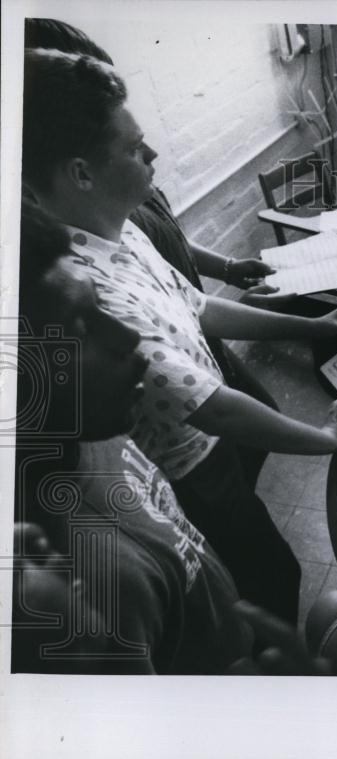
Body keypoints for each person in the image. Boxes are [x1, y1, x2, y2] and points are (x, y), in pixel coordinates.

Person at [21, 48, 337, 625]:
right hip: (193, 472)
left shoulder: (119, 227)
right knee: (271, 575)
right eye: (135, 149)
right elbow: (217, 410)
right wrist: (327, 435)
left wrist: (311, 324)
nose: (154, 153)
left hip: (211, 453)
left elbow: (199, 306)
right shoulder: (90, 293)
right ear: (81, 173)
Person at [24, 17, 284, 483]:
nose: (151, 156)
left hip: (190, 330)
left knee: (251, 443)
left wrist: (224, 264)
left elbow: (172, 241)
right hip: (181, 378)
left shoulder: (125, 194)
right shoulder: (95, 210)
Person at [12, 202, 252, 674]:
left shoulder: (89, 426)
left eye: (100, 305)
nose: (127, 339)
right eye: (79, 327)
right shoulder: (95, 587)